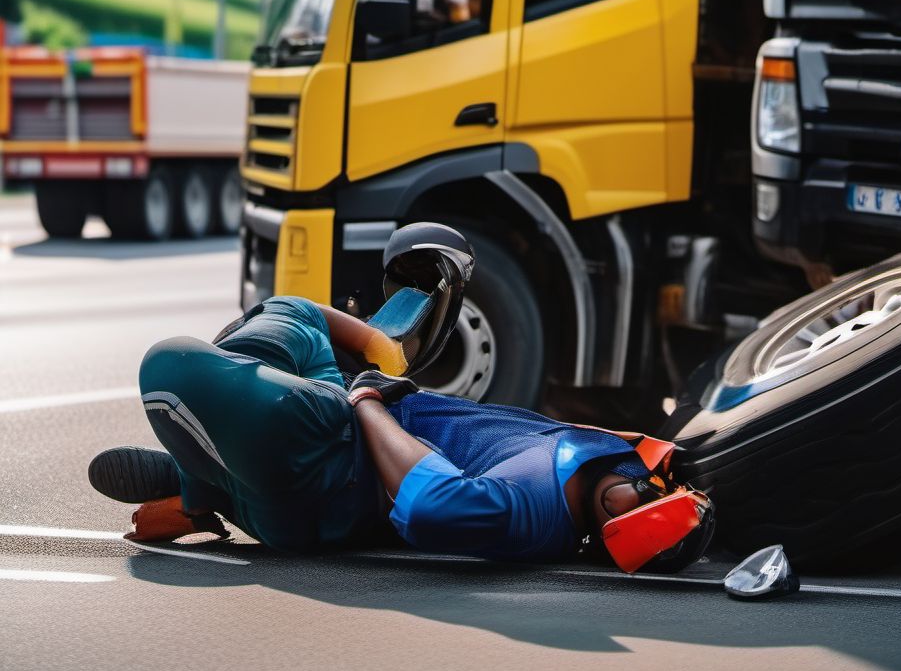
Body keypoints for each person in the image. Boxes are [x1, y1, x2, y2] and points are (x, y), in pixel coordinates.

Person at [89, 224, 714, 575]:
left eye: (619, 526)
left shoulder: (540, 515)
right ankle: (207, 490)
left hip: (328, 456)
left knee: (177, 360)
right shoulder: (589, 461)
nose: (622, 510)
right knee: (287, 319)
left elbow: (436, 504)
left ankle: (210, 477)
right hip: (313, 471)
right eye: (642, 502)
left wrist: (367, 399)